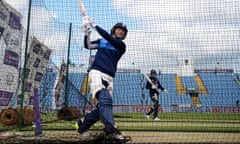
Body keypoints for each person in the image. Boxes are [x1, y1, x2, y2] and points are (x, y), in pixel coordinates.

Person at [75, 16, 128, 140]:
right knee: (106, 101)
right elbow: (88, 45)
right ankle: (111, 130)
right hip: (96, 72)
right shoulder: (101, 41)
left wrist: (95, 25)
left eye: (123, 31)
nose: (120, 31)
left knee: (101, 109)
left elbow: (108, 37)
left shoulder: (121, 45)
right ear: (114, 30)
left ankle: (81, 126)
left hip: (109, 77)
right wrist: (87, 33)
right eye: (118, 29)